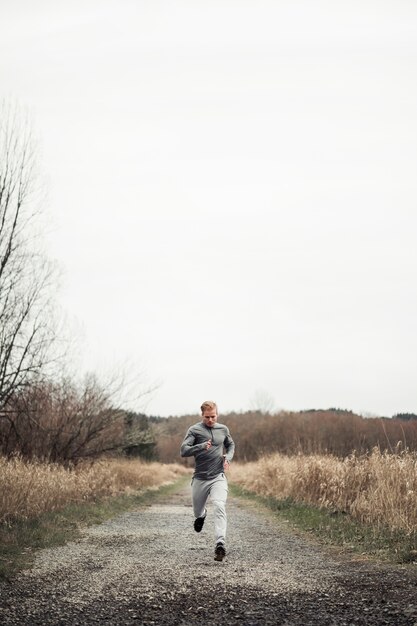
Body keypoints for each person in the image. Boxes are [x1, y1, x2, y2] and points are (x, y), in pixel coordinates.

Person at [180, 400, 235, 561]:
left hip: (218, 476)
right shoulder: (194, 430)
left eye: (213, 416)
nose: (210, 420)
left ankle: (220, 543)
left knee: (219, 505)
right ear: (202, 415)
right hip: (200, 478)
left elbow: (231, 446)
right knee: (197, 511)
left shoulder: (223, 429)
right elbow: (183, 451)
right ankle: (202, 515)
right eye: (207, 417)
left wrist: (228, 457)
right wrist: (201, 446)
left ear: (217, 414)